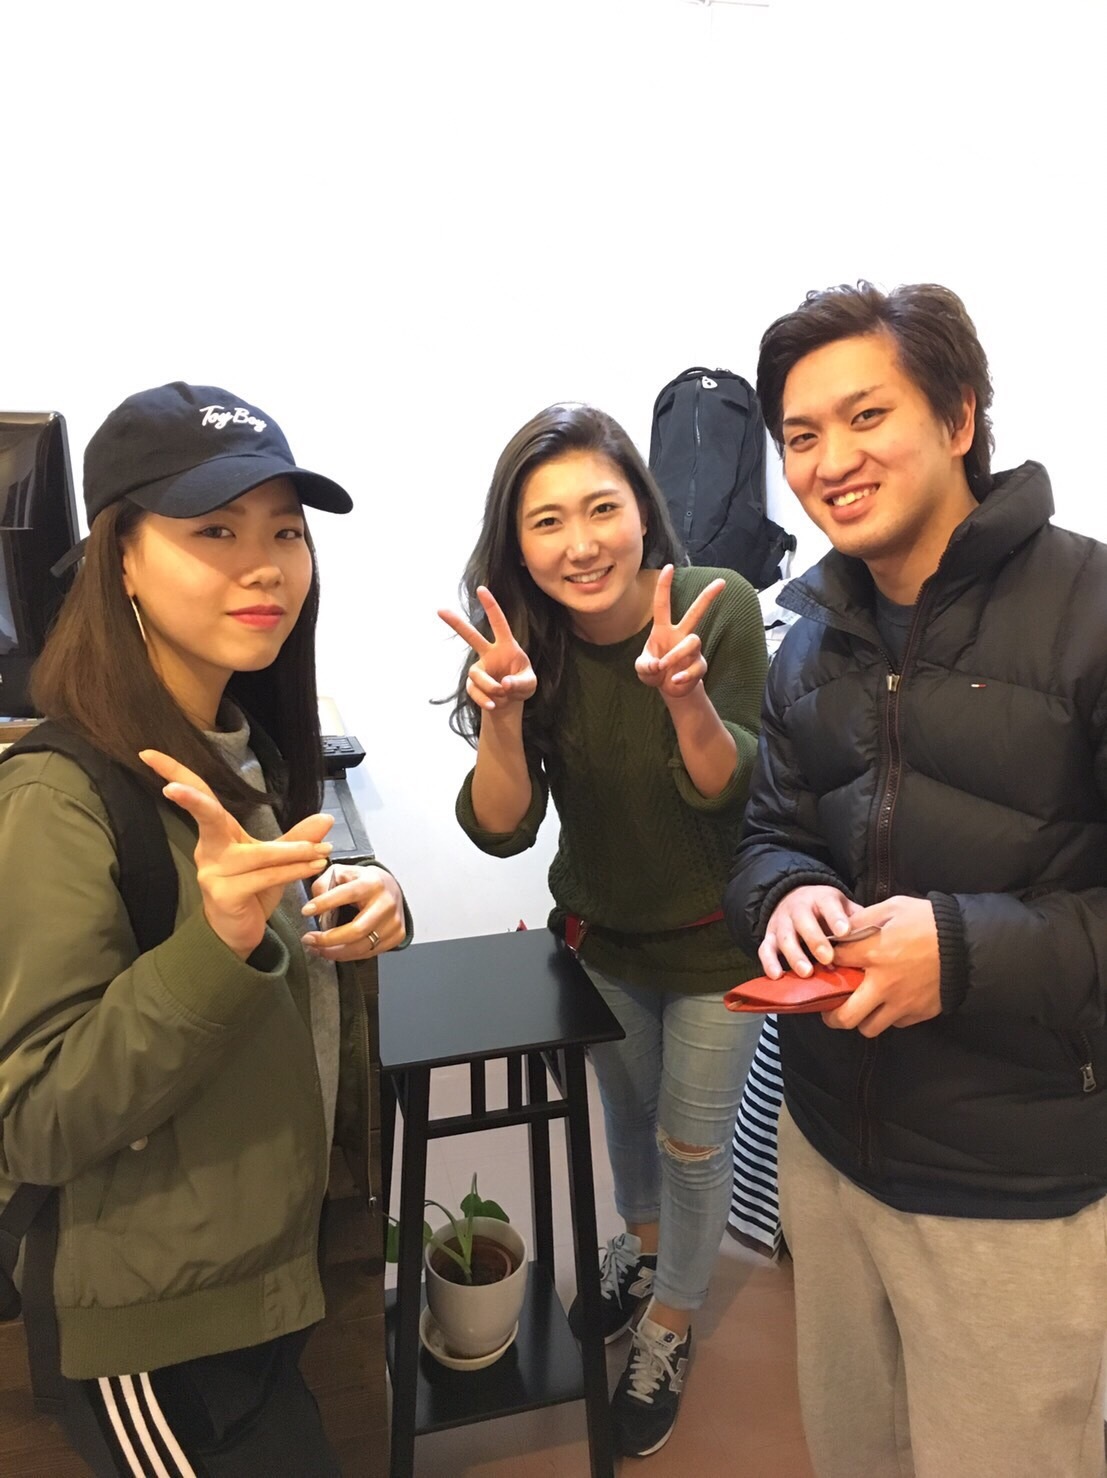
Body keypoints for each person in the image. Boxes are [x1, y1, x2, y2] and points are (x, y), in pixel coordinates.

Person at [724, 283, 1107, 1478]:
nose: (829, 460)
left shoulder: (1090, 612)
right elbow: (768, 834)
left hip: (1011, 1179)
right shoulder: (807, 639)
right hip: (828, 1150)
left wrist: (960, 951)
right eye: (799, 435)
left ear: (958, 417)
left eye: (865, 415)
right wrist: (785, 892)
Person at [0, 383, 409, 1477]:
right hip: (155, 1325)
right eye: (215, 531)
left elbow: (266, 917)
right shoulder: (58, 792)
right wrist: (215, 944)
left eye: (285, 530)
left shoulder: (244, 744)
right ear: (120, 561)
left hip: (261, 1271)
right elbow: (31, 1118)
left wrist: (374, 896)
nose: (264, 565)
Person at [439, 402, 767, 1458]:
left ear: (641, 510)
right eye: (547, 521)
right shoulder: (524, 643)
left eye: (601, 509)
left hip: (715, 944)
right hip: (602, 938)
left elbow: (726, 787)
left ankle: (670, 1319)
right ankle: (648, 1249)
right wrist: (501, 718)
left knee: (691, 1140)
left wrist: (684, 697)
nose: (580, 543)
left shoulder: (716, 606)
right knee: (628, 1120)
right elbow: (500, 829)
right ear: (516, 541)